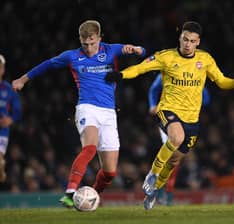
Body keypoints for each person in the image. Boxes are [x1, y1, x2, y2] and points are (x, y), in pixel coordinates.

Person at [105, 21, 234, 210]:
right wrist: (121, 75)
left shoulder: (205, 59)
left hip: (192, 120)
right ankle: (152, 175)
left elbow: (221, 82)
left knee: (174, 160)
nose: (188, 44)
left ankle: (155, 189)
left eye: (192, 41)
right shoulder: (166, 57)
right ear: (180, 38)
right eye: (185, 39)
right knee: (176, 137)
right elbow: (140, 68)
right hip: (168, 110)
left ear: (198, 42)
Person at [12, 20, 146, 207]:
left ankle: (91, 197)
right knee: (89, 148)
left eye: (93, 43)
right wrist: (23, 79)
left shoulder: (112, 50)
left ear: (100, 37)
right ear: (80, 40)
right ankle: (70, 192)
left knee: (110, 173)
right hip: (87, 108)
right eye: (85, 44)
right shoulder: (72, 56)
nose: (89, 48)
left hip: (108, 113)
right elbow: (47, 65)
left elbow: (143, 51)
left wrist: (138, 50)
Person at [148, 73, 210, 205]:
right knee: (170, 150)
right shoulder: (167, 73)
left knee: (176, 158)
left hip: (188, 120)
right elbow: (154, 89)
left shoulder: (195, 78)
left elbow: (206, 99)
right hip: (170, 118)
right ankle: (160, 191)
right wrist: (152, 105)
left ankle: (167, 192)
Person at [0, 54, 21, 183]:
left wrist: (10, 119)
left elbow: (17, 111)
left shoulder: (8, 89)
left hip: (2, 131)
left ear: (2, 70)